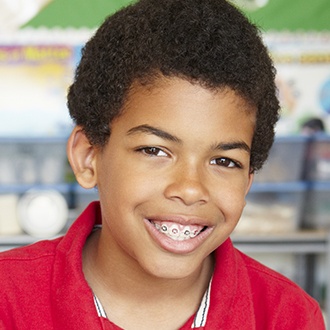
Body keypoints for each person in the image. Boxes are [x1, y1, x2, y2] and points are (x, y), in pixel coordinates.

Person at [0, 0, 326, 329]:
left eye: (224, 161)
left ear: (248, 181)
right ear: (89, 157)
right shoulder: (8, 299)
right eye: (155, 151)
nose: (190, 189)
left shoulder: (288, 317)